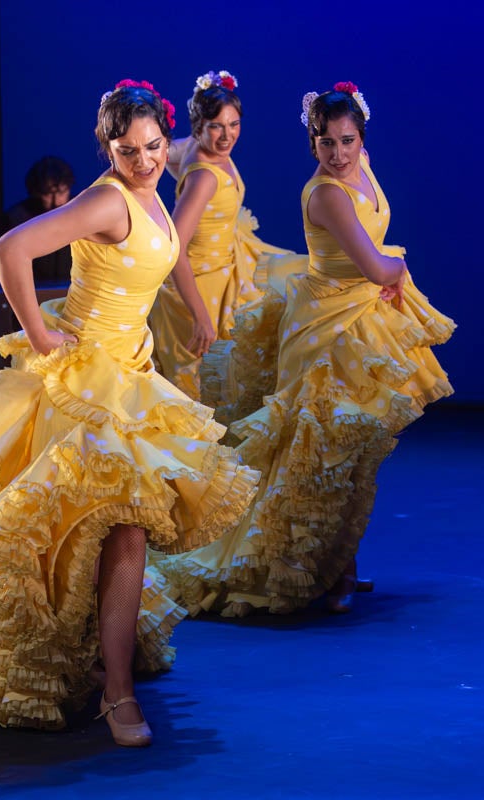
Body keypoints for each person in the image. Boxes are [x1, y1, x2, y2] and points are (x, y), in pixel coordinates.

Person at [0, 80, 259, 745]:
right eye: (129, 151)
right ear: (107, 147)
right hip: (87, 384)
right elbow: (9, 250)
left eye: (155, 147)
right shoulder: (107, 198)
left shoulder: (153, 193)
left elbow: (167, 253)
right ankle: (118, 693)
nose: (145, 161)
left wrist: (194, 309)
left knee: (118, 529)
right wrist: (43, 339)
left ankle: (106, 665)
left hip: (130, 375)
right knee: (116, 528)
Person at [150, 83, 454, 616]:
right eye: (326, 143)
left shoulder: (359, 166)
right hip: (328, 327)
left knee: (352, 451)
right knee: (316, 455)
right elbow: (375, 266)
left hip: (358, 321)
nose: (338, 154)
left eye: (348, 141)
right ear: (311, 143)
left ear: (362, 138)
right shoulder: (328, 193)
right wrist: (396, 271)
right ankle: (298, 568)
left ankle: (338, 562)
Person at [148, 70, 295, 400]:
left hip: (226, 270)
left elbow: (159, 151)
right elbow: (174, 249)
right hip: (200, 287)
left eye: (234, 124)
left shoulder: (189, 149)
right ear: (198, 126)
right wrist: (201, 316)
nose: (227, 135)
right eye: (216, 126)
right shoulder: (205, 178)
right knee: (200, 391)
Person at [2, 155, 75, 282]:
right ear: (35, 192)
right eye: (48, 194)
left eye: (62, 192)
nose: (56, 201)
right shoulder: (17, 217)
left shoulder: (79, 211)